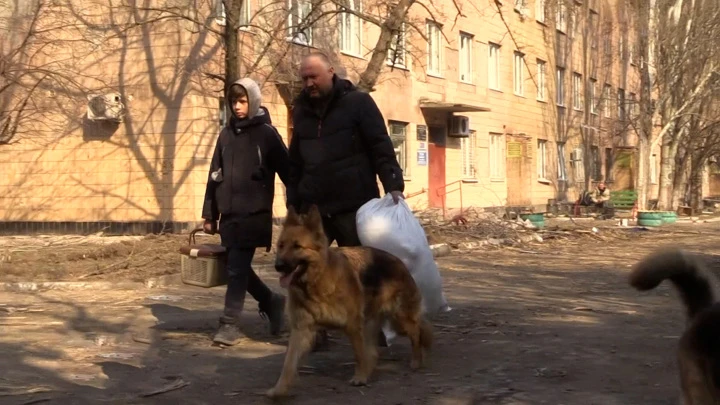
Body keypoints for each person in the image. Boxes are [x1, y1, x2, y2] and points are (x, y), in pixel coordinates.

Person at [285, 52, 405, 348]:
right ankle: (315, 328)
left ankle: (374, 332)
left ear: (331, 72)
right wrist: (294, 201)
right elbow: (296, 159)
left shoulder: (358, 103)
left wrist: (393, 184)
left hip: (354, 204)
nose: (308, 83)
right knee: (309, 270)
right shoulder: (301, 110)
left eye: (313, 77)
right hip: (315, 208)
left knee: (362, 271)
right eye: (304, 78)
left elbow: (380, 144)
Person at [201, 78, 290, 346]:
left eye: (243, 101)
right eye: (233, 102)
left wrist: (300, 207)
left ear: (253, 101)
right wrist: (210, 214)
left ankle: (229, 323)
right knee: (234, 266)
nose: (237, 107)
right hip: (229, 215)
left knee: (237, 267)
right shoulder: (225, 135)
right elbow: (214, 175)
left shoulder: (267, 134)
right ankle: (271, 301)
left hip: (254, 214)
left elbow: (289, 173)